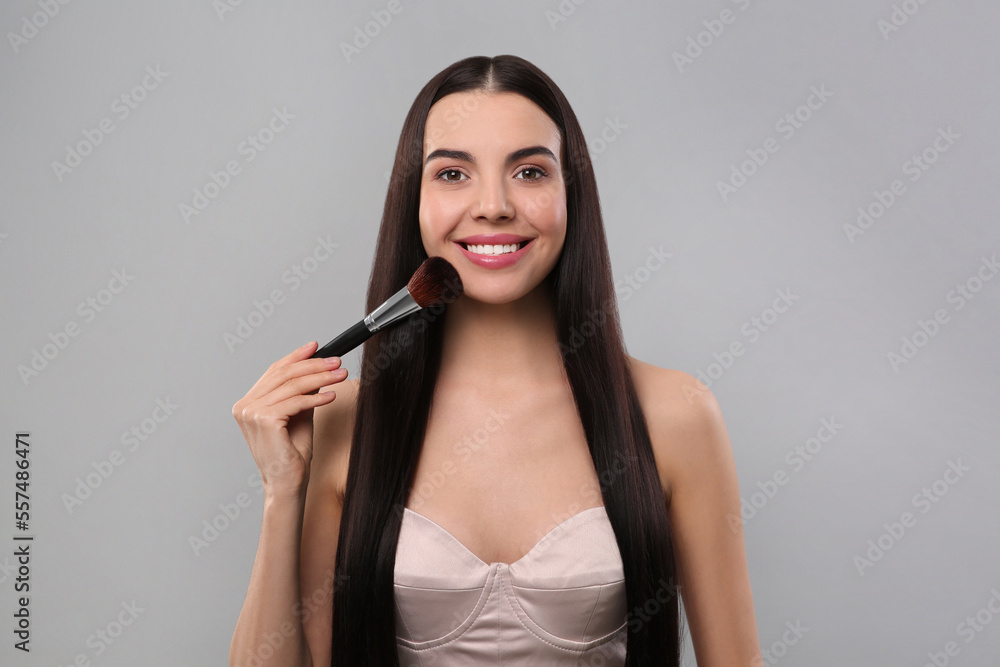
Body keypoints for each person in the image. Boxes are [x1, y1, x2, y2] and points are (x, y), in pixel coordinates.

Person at [229, 54, 760, 666]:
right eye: (453, 174)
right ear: (414, 201)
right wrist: (281, 492)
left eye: (530, 172)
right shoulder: (339, 418)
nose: (493, 205)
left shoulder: (675, 414)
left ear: (572, 194)